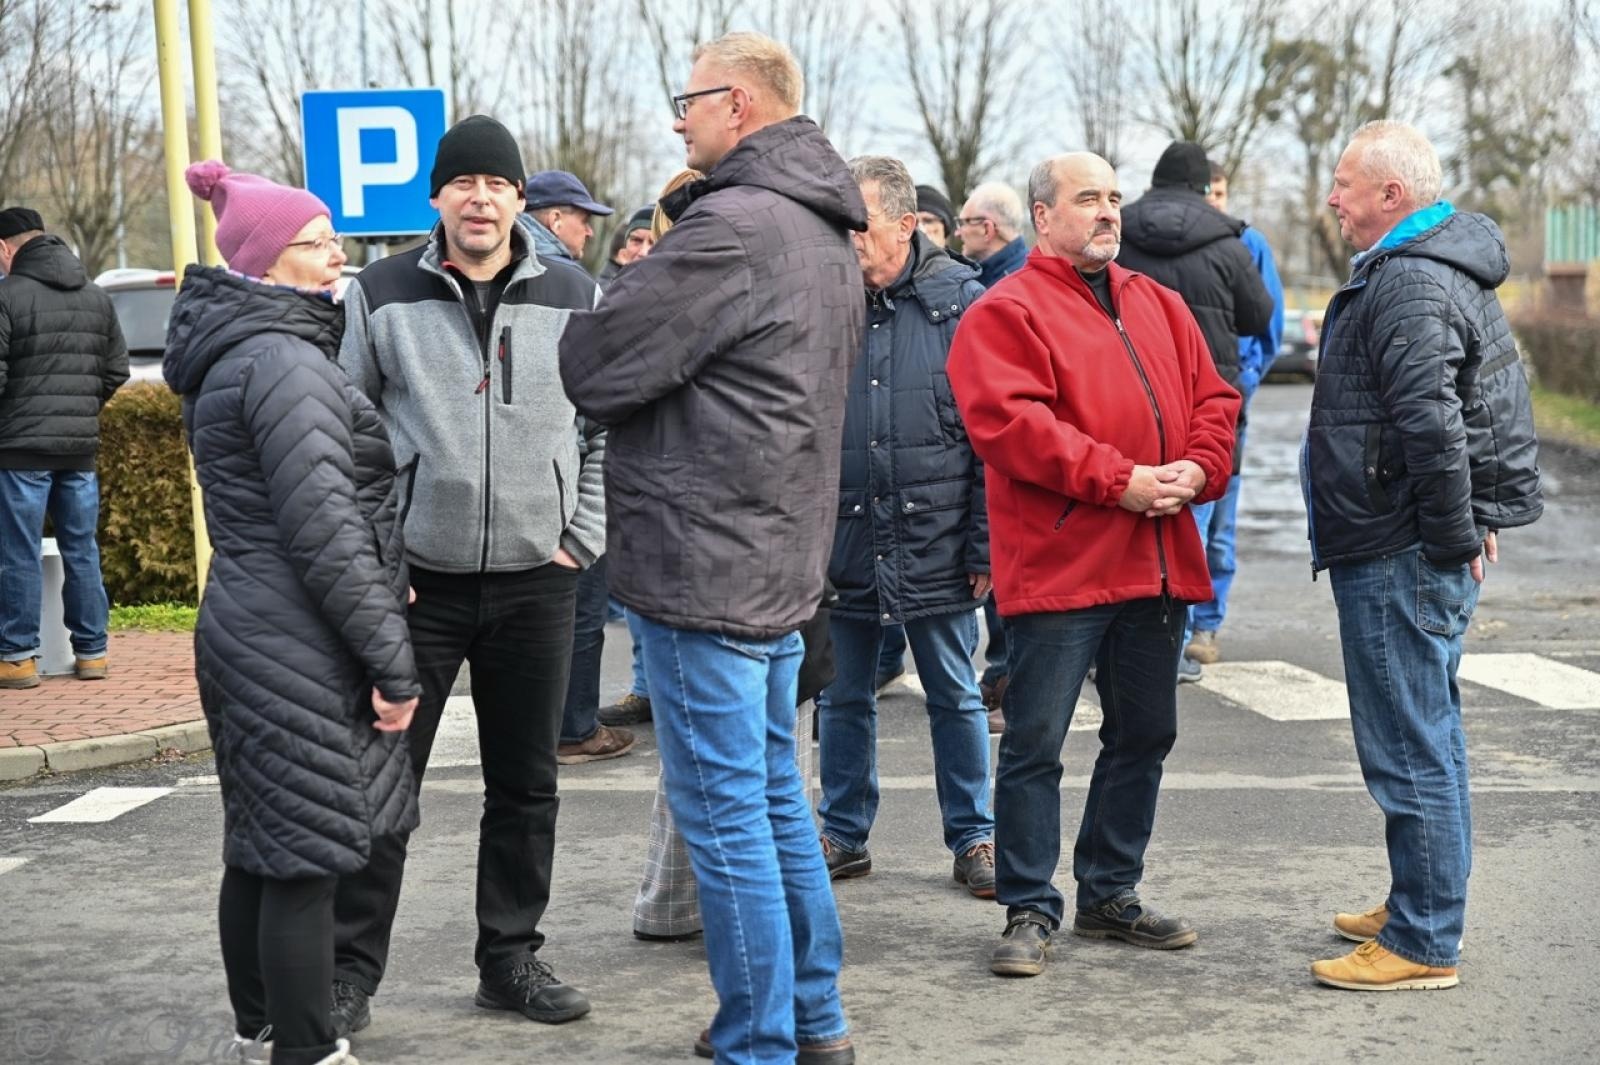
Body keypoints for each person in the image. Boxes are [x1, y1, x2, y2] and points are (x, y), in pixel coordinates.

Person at [559, 31, 861, 1065]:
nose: (676, 120)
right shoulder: (822, 227)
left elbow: (594, 363)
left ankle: (757, 1040)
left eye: (684, 101)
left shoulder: (732, 225)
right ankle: (811, 1020)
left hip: (707, 564)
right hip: (773, 560)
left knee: (729, 819)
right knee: (774, 803)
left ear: (735, 102)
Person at [332, 114, 603, 1035]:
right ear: (438, 198)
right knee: (385, 782)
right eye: (464, 183)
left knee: (526, 784)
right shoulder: (380, 292)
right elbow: (349, 438)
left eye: (498, 184)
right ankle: (348, 970)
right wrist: (380, 556)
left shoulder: (575, 289)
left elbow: (605, 425)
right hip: (421, 588)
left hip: (540, 578)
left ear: (521, 200)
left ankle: (510, 956)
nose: (480, 198)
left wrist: (581, 535)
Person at [947, 152, 1239, 978]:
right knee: (1035, 741)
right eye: (1088, 199)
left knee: (1146, 731)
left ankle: (1110, 893)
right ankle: (1030, 907)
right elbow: (1012, 427)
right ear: (1044, 216)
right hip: (1063, 565)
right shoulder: (1005, 311)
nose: (1108, 212)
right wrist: (1123, 481)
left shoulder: (1161, 303)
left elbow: (1216, 400)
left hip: (1154, 562)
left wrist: (1198, 468)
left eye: (1114, 198)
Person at [163, 161, 418, 1065]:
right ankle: (309, 1051)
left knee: (263, 847)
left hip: (254, 619)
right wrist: (394, 665)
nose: (335, 254)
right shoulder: (283, 363)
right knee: (305, 861)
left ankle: (259, 1031)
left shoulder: (249, 352)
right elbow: (327, 531)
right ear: (269, 263)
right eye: (315, 244)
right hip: (296, 635)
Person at [1307, 121, 1542, 991]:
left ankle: (1422, 938)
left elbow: (1435, 426)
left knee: (1408, 744)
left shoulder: (1407, 280)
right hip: (1410, 538)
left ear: (1391, 197)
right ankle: (1423, 895)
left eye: (1344, 184)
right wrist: (1465, 522)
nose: (1333, 198)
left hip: (1399, 544)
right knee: (1427, 734)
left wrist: (1449, 535)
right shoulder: (1430, 266)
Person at [816, 154, 995, 898]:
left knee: (954, 691)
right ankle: (844, 831)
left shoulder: (966, 302)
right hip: (845, 538)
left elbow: (995, 435)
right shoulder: (825, 300)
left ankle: (976, 836)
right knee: (841, 694)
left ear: (906, 222)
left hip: (941, 539)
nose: (848, 237)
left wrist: (986, 539)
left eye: (859, 222)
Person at [1114, 141, 1275, 683]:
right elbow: (1257, 316)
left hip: (1128, 400)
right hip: (1207, 406)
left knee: (1121, 518)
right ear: (1205, 188)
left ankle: (1111, 644)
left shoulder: (1120, 235)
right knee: (1196, 521)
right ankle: (1177, 644)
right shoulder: (1230, 243)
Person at [0, 206, 127, 690]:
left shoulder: (6, 296)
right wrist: (79, 411)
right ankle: (92, 654)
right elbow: (115, 371)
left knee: (19, 553)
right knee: (81, 550)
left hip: (19, 451)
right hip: (79, 449)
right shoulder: (96, 296)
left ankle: (17, 658)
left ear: (5, 249)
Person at [1185, 161, 1284, 667]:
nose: (1213, 199)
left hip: (1226, 402)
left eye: (1219, 190)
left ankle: (1207, 623)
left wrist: (1242, 380)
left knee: (1219, 525)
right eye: (1205, 190)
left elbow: (1268, 327)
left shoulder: (1249, 245)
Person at [953, 179, 1029, 729]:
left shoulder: (1009, 283)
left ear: (989, 228)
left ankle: (1007, 682)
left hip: (1009, 446)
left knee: (1005, 576)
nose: (957, 232)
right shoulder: (990, 278)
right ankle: (1002, 678)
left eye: (964, 223)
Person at [523, 169, 613, 261]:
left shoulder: (511, 261)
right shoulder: (566, 273)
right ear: (555, 221)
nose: (590, 233)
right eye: (584, 221)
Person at [598, 206, 656, 285]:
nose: (643, 252)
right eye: (636, 240)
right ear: (623, 252)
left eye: (653, 243)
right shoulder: (604, 292)